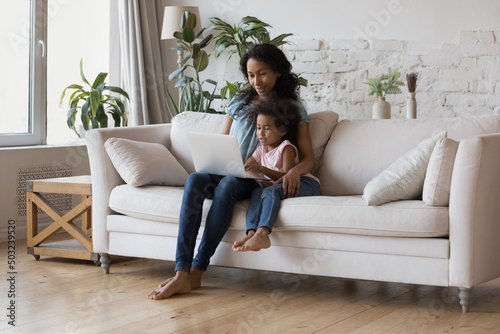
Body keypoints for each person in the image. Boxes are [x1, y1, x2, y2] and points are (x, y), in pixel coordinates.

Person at [148, 43, 316, 300]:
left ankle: (197, 269)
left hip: (253, 177)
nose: (256, 80)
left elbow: (309, 159)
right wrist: (211, 160)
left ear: (278, 72)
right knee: (194, 180)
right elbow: (222, 139)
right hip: (226, 168)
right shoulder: (238, 100)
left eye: (263, 73)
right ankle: (181, 271)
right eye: (250, 75)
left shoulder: (291, 107)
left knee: (227, 185)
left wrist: (293, 173)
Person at [232, 99, 321, 252]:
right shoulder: (262, 148)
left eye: (266, 128)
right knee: (257, 192)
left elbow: (287, 176)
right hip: (279, 185)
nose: (261, 133)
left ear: (282, 130)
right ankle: (251, 233)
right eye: (258, 128)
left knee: (269, 191)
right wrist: (260, 177)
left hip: (306, 184)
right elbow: (247, 167)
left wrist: (262, 170)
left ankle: (263, 233)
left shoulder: (285, 148)